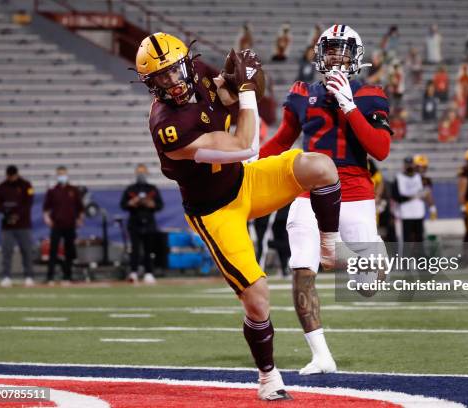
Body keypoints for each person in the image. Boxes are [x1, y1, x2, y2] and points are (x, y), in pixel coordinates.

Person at [135, 33, 343, 400]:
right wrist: (248, 91)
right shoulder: (168, 126)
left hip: (244, 182)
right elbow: (246, 145)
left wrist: (242, 80)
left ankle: (329, 245)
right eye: (160, 78)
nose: (170, 82)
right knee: (258, 297)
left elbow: (223, 96)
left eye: (173, 71)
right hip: (215, 212)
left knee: (321, 167)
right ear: (150, 84)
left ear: (186, 62)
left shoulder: (198, 73)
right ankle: (268, 377)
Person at [259, 24, 391, 375]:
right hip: (309, 188)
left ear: (356, 56)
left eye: (343, 50)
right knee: (302, 270)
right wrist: (249, 163)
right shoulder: (302, 93)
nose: (336, 56)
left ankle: (365, 259)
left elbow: (380, 150)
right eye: (330, 49)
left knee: (368, 287)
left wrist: (349, 106)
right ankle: (321, 354)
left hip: (355, 190)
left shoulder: (370, 94)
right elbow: (282, 141)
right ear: (319, 54)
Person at [120, 164, 164, 284]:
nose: (141, 174)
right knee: (134, 249)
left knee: (148, 250)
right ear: (136, 173)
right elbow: (123, 205)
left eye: (143, 172)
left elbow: (160, 205)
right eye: (139, 172)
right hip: (134, 223)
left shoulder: (152, 189)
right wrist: (132, 203)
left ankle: (149, 273)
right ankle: (133, 272)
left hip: (149, 223)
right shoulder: (130, 189)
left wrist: (151, 204)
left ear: (147, 173)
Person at [0, 165, 34, 287]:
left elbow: (29, 203)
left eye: (13, 176)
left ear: (17, 174)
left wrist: (17, 216)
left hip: (23, 224)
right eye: (9, 176)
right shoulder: (1, 187)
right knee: (7, 251)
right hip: (7, 226)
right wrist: (7, 215)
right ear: (7, 175)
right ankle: (6, 277)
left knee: (26, 250)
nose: (11, 178)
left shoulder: (26, 185)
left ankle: (29, 276)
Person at [43, 166, 84, 284]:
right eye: (60, 174)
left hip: (70, 224)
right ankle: (50, 277)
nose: (62, 176)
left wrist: (80, 219)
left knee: (69, 251)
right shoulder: (52, 190)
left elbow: (80, 207)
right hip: (56, 224)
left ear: (67, 174)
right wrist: (47, 218)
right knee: (53, 251)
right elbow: (46, 208)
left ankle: (67, 276)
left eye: (63, 174)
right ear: (57, 175)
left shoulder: (73, 190)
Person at [393, 157, 425, 242]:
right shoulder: (399, 178)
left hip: (418, 212)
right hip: (406, 213)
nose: (409, 166)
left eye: (410, 164)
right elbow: (396, 196)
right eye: (407, 164)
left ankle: (419, 255)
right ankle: (407, 255)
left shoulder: (419, 176)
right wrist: (412, 197)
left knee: (419, 237)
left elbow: (425, 192)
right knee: (407, 239)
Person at [414, 154, 437, 220]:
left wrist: (432, 209)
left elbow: (428, 196)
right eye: (419, 167)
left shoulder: (426, 180)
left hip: (418, 209)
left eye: (424, 167)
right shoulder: (405, 177)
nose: (421, 169)